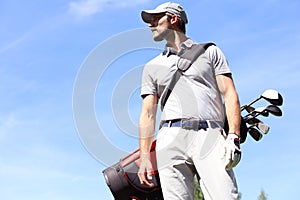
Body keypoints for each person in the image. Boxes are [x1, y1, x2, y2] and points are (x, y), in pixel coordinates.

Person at [137, 2, 241, 199]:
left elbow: (229, 93)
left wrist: (233, 136)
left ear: (173, 19)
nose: (151, 24)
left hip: (209, 134)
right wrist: (144, 156)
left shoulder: (210, 52)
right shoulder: (152, 66)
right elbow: (147, 113)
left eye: (156, 19)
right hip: (169, 137)